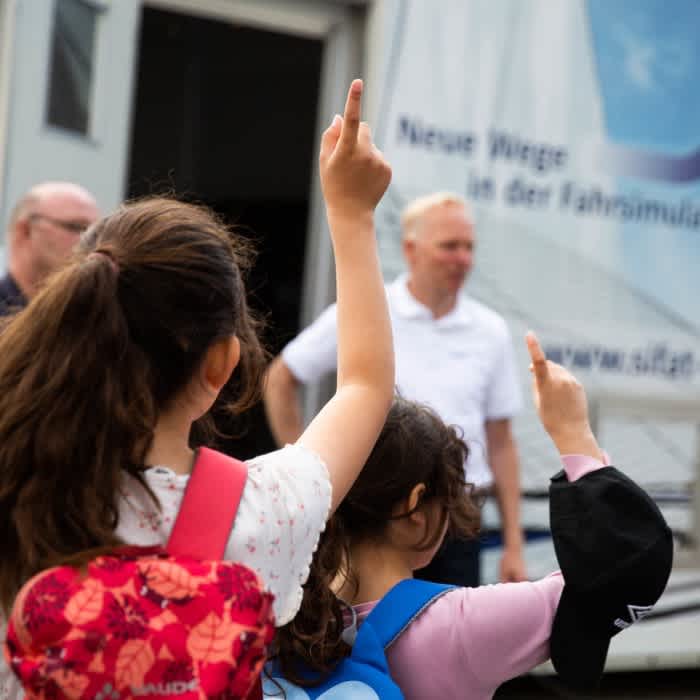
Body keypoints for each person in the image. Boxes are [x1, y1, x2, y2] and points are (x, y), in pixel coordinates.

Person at [0, 79, 393, 700]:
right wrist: (353, 214)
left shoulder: (16, 487)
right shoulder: (261, 511)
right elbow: (366, 386)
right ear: (222, 365)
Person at [270, 332, 673, 699]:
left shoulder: (278, 613)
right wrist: (573, 433)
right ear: (416, 511)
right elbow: (626, 574)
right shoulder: (461, 626)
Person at [264, 192, 525, 585]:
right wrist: (308, 472)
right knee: (374, 632)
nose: (463, 259)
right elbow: (280, 378)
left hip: (458, 512)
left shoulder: (490, 330)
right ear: (411, 249)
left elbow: (501, 442)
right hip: (379, 510)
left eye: (469, 247)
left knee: (448, 637)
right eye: (449, 246)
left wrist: (514, 545)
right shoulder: (370, 309)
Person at [0, 181, 100, 315]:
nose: (92, 241)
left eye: (96, 232)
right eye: (76, 227)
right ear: (25, 231)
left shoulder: (90, 320)